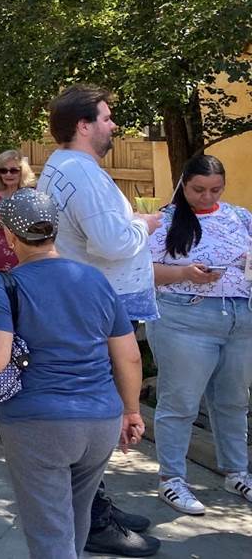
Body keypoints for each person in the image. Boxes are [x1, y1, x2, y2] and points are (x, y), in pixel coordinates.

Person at [0, 189, 146, 559]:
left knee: (50, 534)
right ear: (55, 230)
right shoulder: (94, 279)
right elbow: (128, 356)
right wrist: (132, 411)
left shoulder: (7, 285)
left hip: (38, 424)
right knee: (76, 520)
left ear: (10, 236)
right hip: (101, 420)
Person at [36, 84, 162, 557]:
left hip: (84, 302)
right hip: (99, 307)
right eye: (106, 118)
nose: (114, 125)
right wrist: (144, 225)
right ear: (84, 125)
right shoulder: (83, 174)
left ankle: (95, 505)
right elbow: (110, 243)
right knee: (97, 415)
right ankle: (91, 521)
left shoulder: (60, 165)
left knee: (94, 412)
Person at [145, 154, 252, 515]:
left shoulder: (239, 216)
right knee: (180, 402)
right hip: (185, 318)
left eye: (215, 190)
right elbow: (141, 270)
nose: (207, 197)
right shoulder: (165, 220)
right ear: (184, 185)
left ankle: (236, 472)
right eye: (198, 189)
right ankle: (172, 479)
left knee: (233, 400)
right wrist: (184, 273)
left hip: (240, 318)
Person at [0, 150, 36, 272]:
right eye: (3, 170)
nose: (8, 174)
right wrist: (0, 223)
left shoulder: (32, 194)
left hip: (28, 261)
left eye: (13, 170)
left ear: (22, 172)